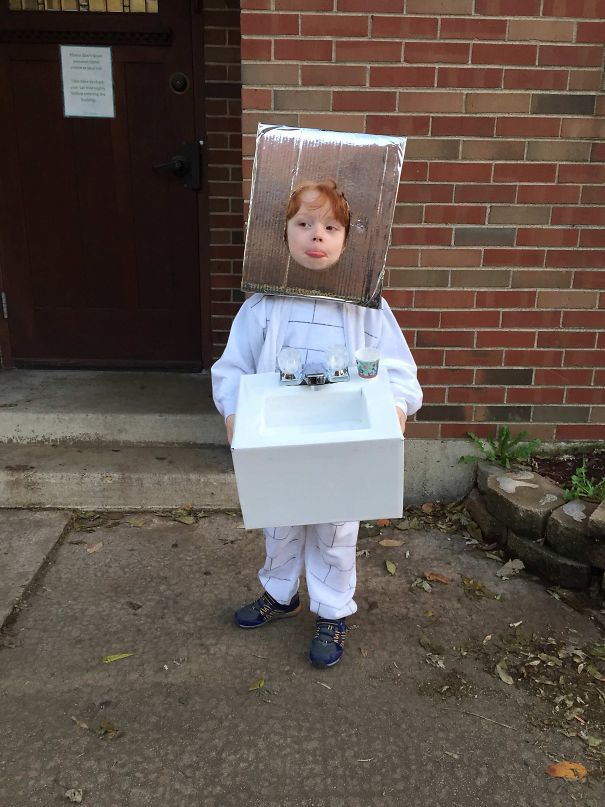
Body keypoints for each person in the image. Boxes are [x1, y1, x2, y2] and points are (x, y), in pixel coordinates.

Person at [211, 179, 422, 668]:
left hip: (341, 441)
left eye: (330, 227)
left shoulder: (365, 308)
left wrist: (393, 409)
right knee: (280, 523)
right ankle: (280, 594)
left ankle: (332, 610)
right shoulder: (263, 306)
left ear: (347, 239)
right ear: (284, 233)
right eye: (304, 224)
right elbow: (233, 368)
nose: (317, 236)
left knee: (334, 529)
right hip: (280, 438)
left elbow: (395, 368)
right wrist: (234, 412)